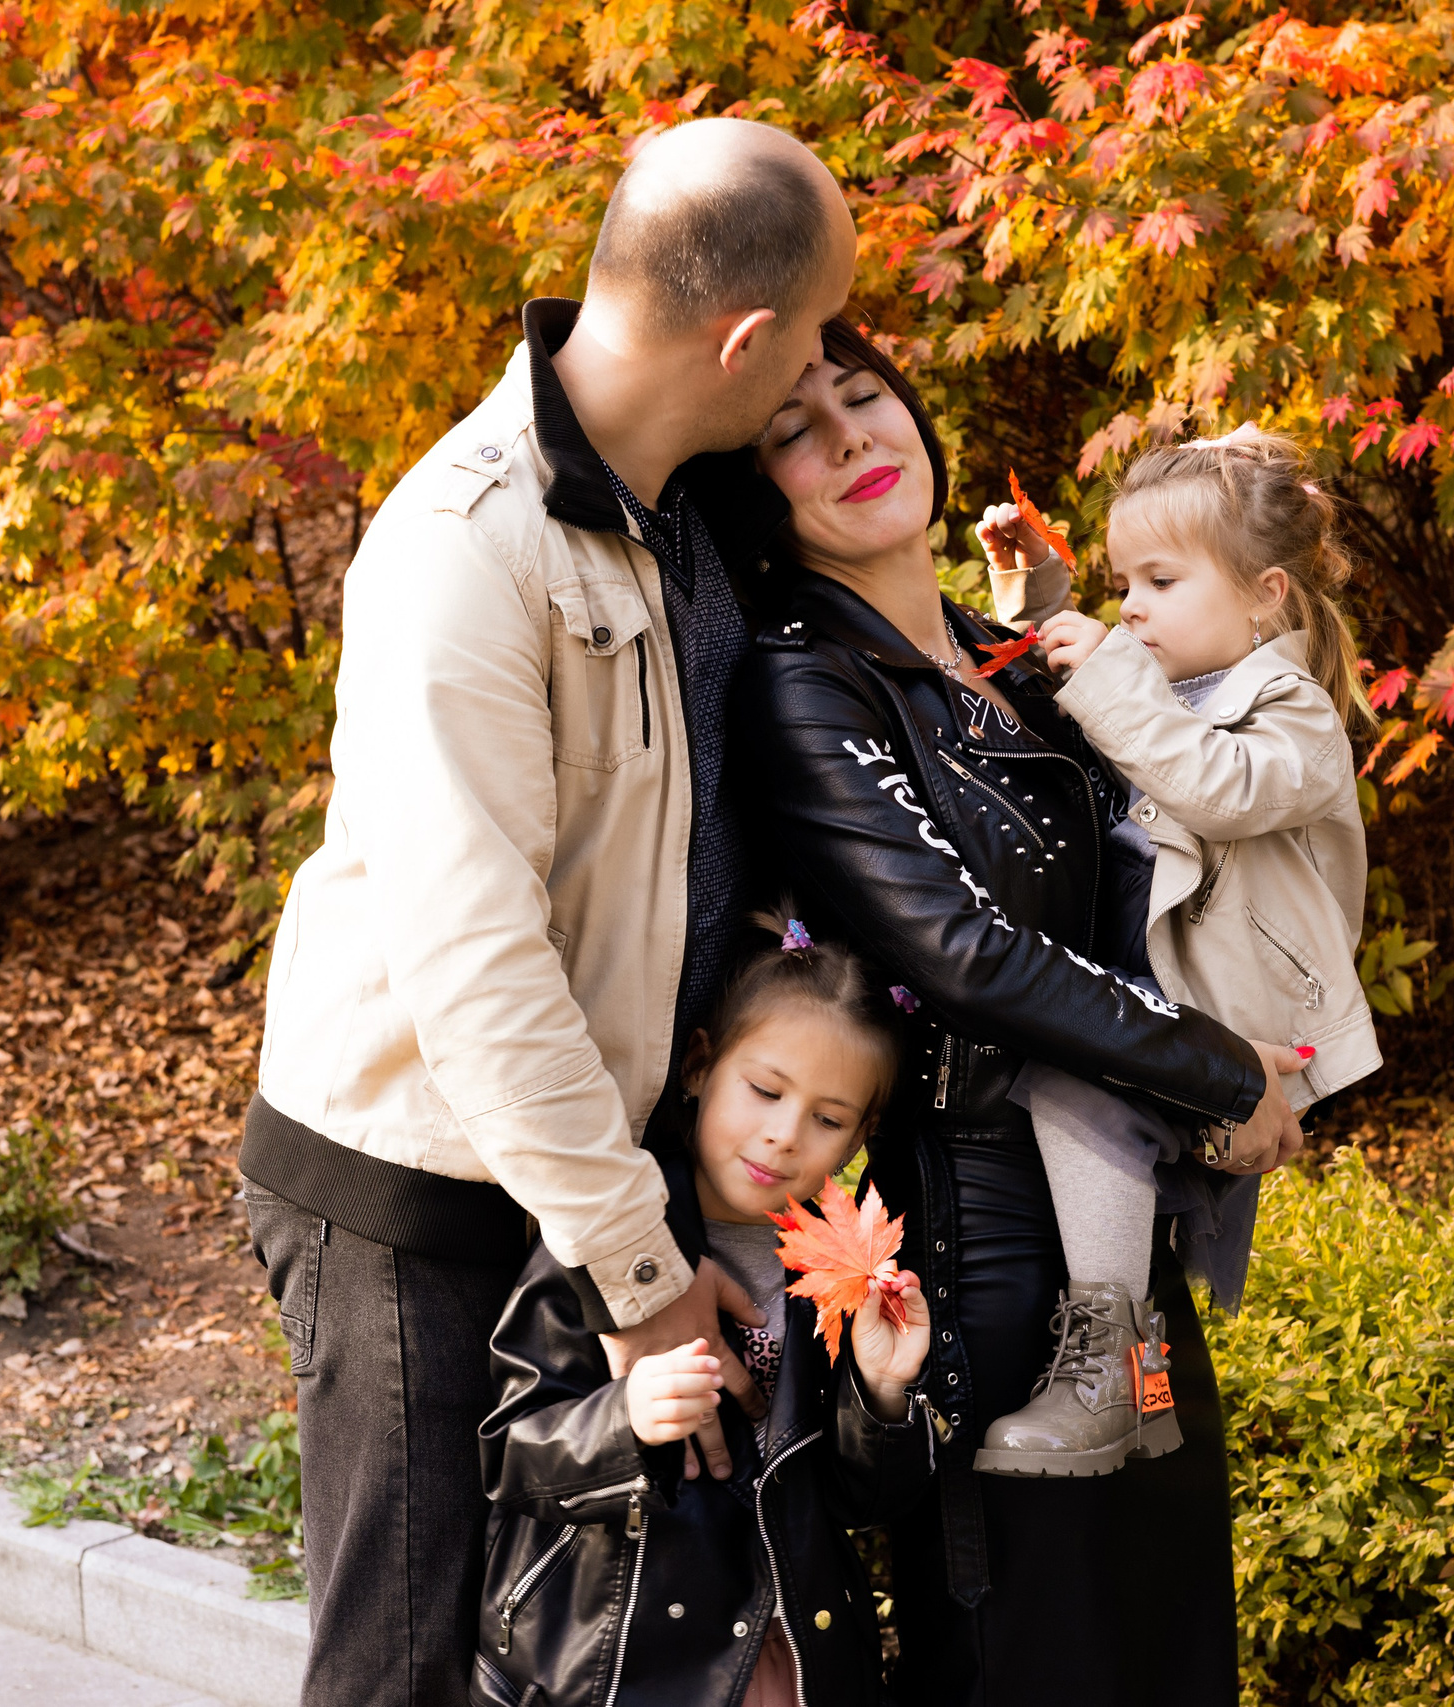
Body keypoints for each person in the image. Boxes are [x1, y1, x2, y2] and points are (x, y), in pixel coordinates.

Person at [237, 119, 857, 1707]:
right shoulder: (468, 547)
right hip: (418, 1182)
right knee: (407, 1655)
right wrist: (642, 1287)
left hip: (594, 1165)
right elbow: (478, 962)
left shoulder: (687, 507)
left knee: (565, 1647)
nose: (815, 375)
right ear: (739, 337)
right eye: (809, 338)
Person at [731, 317, 1309, 1707]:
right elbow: (963, 948)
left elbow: (1191, 809)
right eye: (794, 428)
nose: (850, 434)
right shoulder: (807, 680)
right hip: (991, 1255)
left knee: (1166, 1644)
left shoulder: (1009, 653)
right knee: (1033, 1653)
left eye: (866, 396)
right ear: (759, 489)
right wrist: (1221, 1078)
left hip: (1131, 1245)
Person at [965, 426, 1382, 1476]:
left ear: (1263, 596)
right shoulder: (1171, 683)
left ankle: (1108, 1368)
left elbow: (1209, 785)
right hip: (1154, 991)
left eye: (1158, 579)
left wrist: (1106, 667)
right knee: (1075, 1081)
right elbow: (1094, 705)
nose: (1132, 606)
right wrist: (1038, 600)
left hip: (1242, 1029)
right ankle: (1139, 1387)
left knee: (1072, 1084)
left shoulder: (1290, 715)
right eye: (1121, 581)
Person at [471, 911, 937, 1707]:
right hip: (622, 1651)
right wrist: (626, 1419)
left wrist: (882, 1394)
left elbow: (863, 1501)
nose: (783, 1135)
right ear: (698, 1064)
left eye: (828, 1119)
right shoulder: (610, 1234)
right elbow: (511, 1454)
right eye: (763, 1090)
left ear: (863, 1132)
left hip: (779, 1645)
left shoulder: (844, 1265)